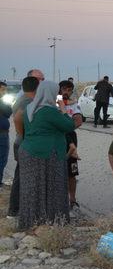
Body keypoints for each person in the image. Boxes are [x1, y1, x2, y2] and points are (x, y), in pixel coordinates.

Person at [17, 81, 76, 229]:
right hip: (46, 154)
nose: (58, 96)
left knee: (32, 190)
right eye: (56, 93)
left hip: (29, 152)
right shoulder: (49, 111)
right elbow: (69, 126)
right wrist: (63, 108)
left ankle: (31, 223)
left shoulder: (31, 108)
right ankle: (53, 222)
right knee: (53, 188)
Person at [6, 75, 40, 218]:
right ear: (36, 87)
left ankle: (16, 210)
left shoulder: (23, 99)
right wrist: (24, 135)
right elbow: (18, 117)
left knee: (21, 176)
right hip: (25, 143)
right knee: (22, 178)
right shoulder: (27, 101)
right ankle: (15, 210)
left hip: (22, 142)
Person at [59, 80, 83, 212]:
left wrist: (66, 126)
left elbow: (78, 121)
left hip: (68, 135)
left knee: (72, 173)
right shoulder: (54, 100)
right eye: (64, 89)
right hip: (57, 139)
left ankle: (72, 200)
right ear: (59, 90)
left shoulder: (73, 103)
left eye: (69, 90)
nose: (66, 92)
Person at [0, 82, 11, 189]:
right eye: (3, 89)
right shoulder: (2, 102)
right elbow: (8, 112)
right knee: (2, 159)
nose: (5, 92)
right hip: (1, 135)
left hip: (3, 133)